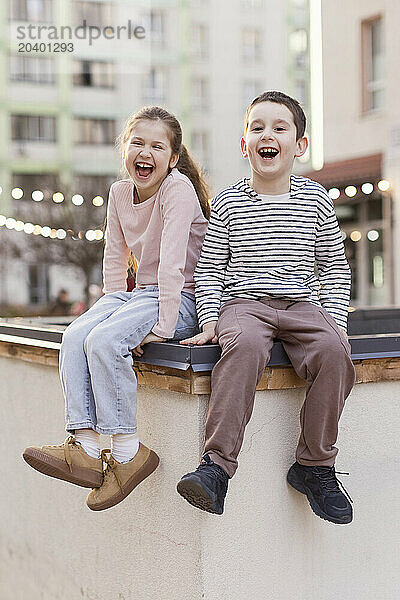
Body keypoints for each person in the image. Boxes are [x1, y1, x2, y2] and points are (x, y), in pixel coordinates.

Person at [177, 91, 356, 525]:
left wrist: (335, 321)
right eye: (257, 128)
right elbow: (210, 270)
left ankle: (315, 466)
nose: (267, 135)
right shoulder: (227, 201)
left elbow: (333, 265)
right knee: (244, 351)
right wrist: (210, 319)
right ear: (244, 144)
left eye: (279, 128)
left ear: (300, 144)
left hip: (301, 304)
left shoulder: (315, 199)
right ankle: (216, 468)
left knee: (335, 353)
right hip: (245, 305)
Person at [23, 106, 210, 511]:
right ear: (124, 149)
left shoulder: (178, 190)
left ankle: (128, 454)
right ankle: (86, 448)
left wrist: (160, 328)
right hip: (138, 295)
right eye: (137, 142)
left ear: (173, 158)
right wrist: (109, 304)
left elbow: (174, 264)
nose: (146, 152)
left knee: (106, 342)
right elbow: (114, 256)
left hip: (180, 300)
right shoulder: (119, 193)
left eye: (157, 146)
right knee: (75, 335)